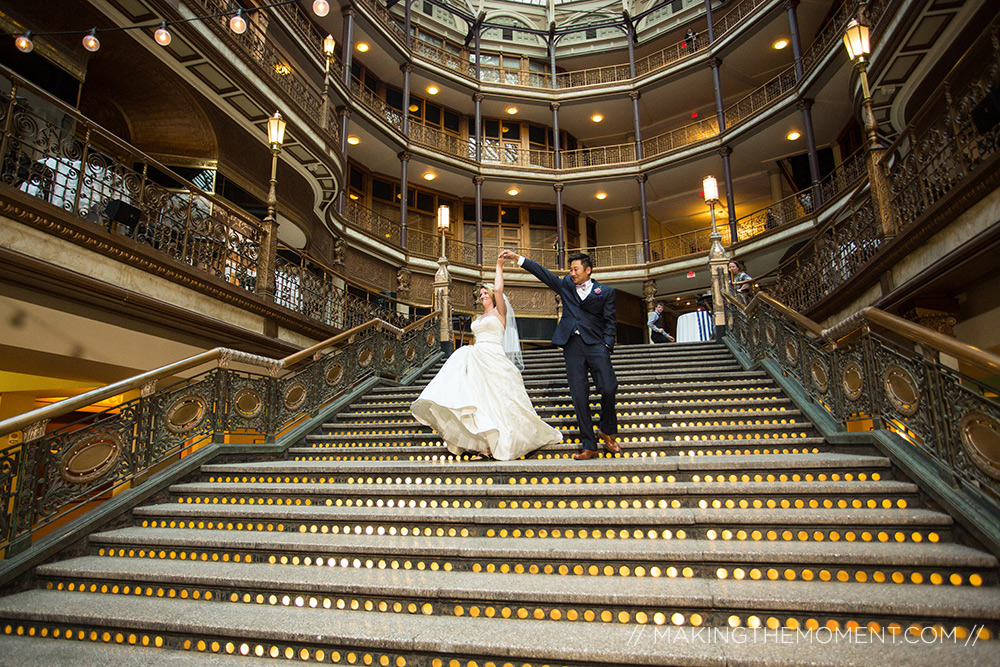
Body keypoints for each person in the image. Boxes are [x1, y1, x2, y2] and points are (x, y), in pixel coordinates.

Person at [410, 253, 561, 461]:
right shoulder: (479, 317)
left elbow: (499, 288)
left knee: (498, 401)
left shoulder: (500, 312)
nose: (482, 297)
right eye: (480, 295)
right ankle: (484, 447)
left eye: (485, 294)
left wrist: (499, 265)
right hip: (477, 357)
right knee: (480, 401)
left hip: (494, 357)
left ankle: (499, 443)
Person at [499, 249, 620, 461]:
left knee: (609, 387)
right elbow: (543, 273)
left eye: (576, 269)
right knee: (579, 394)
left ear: (588, 270)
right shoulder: (565, 285)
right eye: (570, 269)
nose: (572, 273)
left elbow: (610, 321)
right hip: (572, 345)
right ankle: (589, 444)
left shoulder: (605, 292)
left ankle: (607, 430)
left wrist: (607, 344)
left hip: (596, 345)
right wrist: (518, 258)